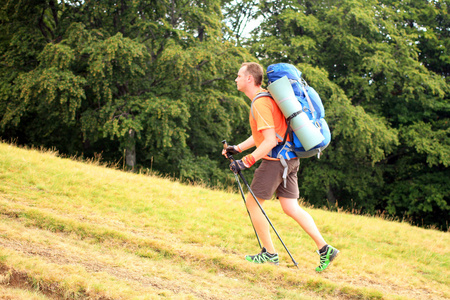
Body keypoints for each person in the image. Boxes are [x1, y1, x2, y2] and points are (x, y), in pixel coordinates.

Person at [222, 62, 339, 272]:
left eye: (239, 76)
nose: (236, 79)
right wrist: (237, 148)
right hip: (291, 160)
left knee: (253, 203)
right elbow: (266, 134)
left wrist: (246, 162)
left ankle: (269, 254)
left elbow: (269, 142)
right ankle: (325, 249)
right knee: (290, 207)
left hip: (275, 163)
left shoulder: (260, 103)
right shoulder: (267, 98)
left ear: (250, 79)